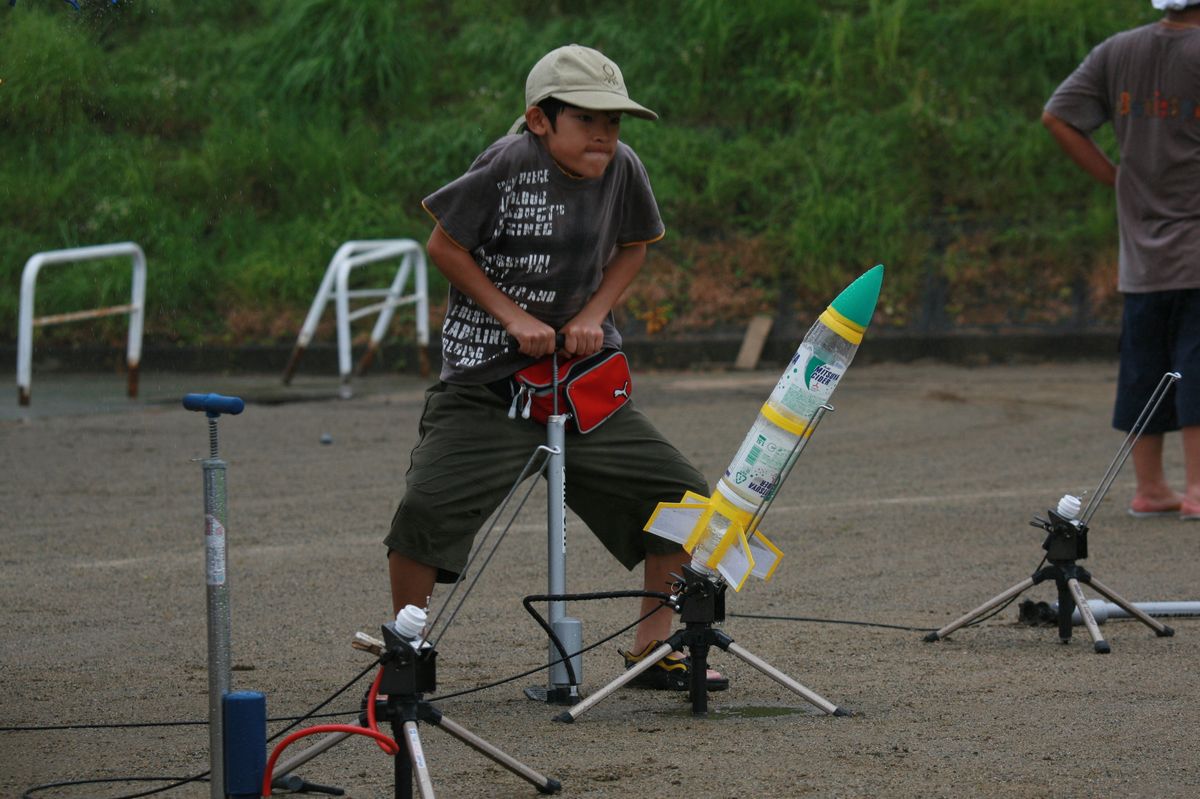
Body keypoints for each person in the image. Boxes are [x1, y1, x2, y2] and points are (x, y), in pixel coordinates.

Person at [384, 44, 727, 689]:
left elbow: (633, 249)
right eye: (587, 118)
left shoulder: (624, 167)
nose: (604, 134)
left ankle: (655, 650)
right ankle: (407, 652)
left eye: (614, 120)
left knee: (682, 498)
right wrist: (513, 317)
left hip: (579, 382)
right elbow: (444, 245)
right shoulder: (506, 162)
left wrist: (596, 311)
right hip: (488, 379)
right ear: (541, 120)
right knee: (426, 510)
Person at [1042, 0, 1200, 520]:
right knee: (1197, 363)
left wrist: (1118, 177)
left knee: (1144, 364)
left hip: (1141, 251)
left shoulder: (1118, 51)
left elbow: (1059, 116)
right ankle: (1197, 490)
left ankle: (1151, 489)